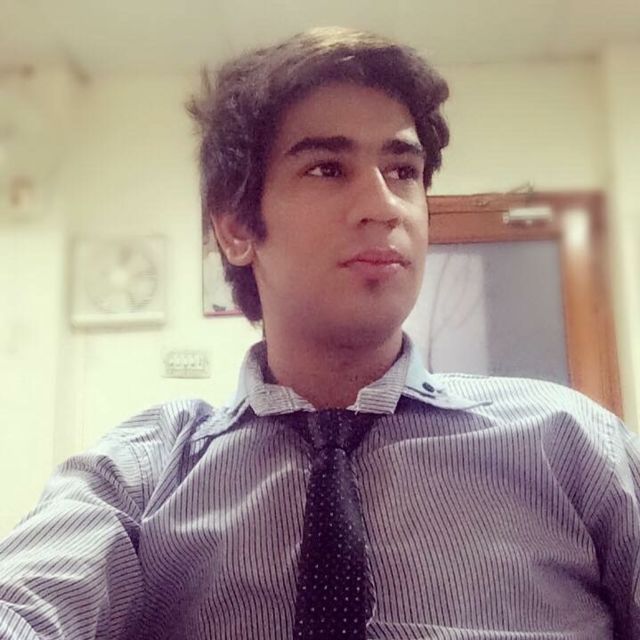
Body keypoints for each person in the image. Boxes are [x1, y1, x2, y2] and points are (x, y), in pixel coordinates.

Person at [1, 26, 639, 640]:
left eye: (403, 172)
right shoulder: (142, 472)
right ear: (236, 229)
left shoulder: (573, 445)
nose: (384, 206)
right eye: (327, 169)